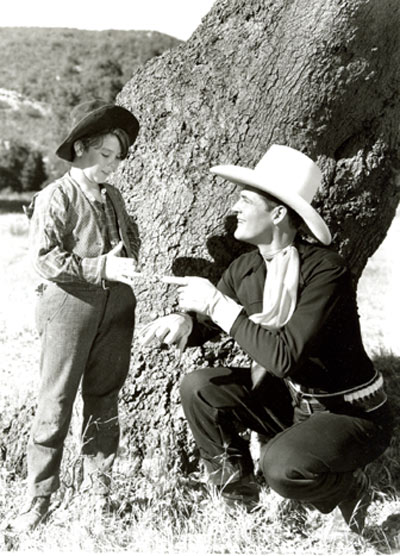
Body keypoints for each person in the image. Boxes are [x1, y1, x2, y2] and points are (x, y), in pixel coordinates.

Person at [140, 145, 393, 533]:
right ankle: (239, 504)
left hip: (350, 413)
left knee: (280, 466)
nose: (234, 209)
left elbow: (283, 357)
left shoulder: (327, 270)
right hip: (293, 403)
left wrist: (219, 307)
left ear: (277, 214)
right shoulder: (246, 267)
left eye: (244, 199)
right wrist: (185, 322)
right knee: (200, 387)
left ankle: (347, 489)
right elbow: (211, 319)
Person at [9, 99, 141, 532]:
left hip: (115, 308)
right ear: (81, 147)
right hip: (68, 307)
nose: (113, 166)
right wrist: (100, 266)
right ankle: (39, 499)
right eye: (105, 156)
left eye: (118, 159)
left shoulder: (114, 196)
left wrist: (124, 264)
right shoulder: (55, 196)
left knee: (105, 399)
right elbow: (45, 259)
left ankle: (98, 495)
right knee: (56, 402)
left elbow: (131, 240)